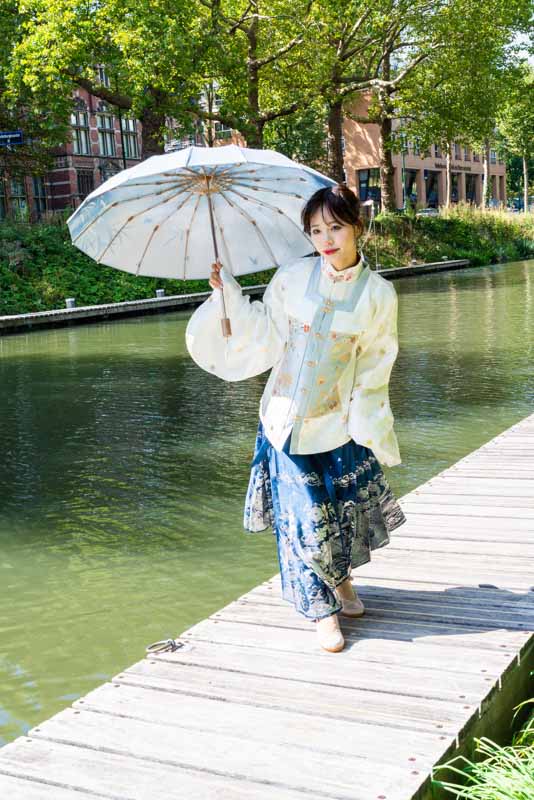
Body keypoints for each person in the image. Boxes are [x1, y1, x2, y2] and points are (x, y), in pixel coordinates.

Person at [185, 184, 407, 653]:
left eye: (335, 228)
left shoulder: (378, 295)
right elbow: (265, 335)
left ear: (357, 226)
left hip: (338, 426)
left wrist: (367, 423)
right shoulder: (291, 278)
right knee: (304, 519)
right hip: (283, 422)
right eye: (316, 230)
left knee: (338, 515)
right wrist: (229, 296)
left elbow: (376, 362)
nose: (326, 239)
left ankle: (341, 583)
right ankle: (322, 612)